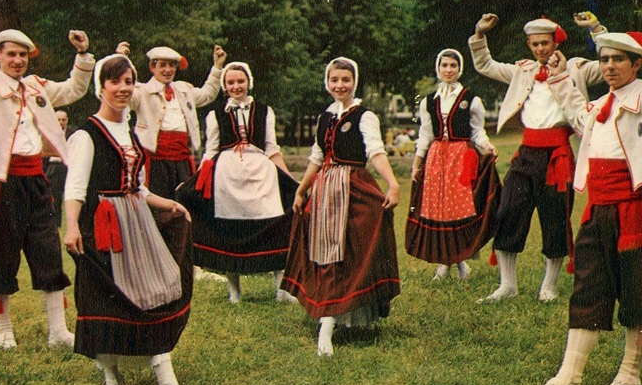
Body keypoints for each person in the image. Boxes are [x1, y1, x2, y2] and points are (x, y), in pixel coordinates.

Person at [530, 28, 642, 385]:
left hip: (634, 208)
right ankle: (569, 377)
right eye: (604, 59)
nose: (609, 66)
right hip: (597, 208)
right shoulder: (597, 107)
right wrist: (560, 77)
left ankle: (630, 370)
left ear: (637, 64)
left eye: (618, 60)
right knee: (587, 285)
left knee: (635, 287)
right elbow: (576, 114)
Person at [63, 54, 197, 385]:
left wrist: (168, 204)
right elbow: (75, 187)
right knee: (108, 297)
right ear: (100, 87)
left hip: (135, 220)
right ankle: (110, 377)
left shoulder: (133, 131)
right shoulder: (86, 134)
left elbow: (139, 187)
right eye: (115, 82)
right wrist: (72, 225)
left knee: (155, 291)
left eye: (128, 82)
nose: (122, 89)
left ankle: (165, 379)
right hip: (103, 225)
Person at [0, 28, 100, 350]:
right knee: (2, 251)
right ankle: (3, 327)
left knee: (48, 247)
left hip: (37, 177)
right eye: (11, 54)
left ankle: (57, 329)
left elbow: (74, 88)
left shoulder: (37, 86)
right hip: (3, 179)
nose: (18, 61)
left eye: (23, 55)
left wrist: (82, 55)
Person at [469, 12, 606, 303]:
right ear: (529, 45)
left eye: (545, 43)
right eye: (534, 44)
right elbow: (485, 65)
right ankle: (507, 285)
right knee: (508, 213)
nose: (541, 49)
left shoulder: (577, 68)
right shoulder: (523, 70)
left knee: (555, 217)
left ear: (555, 41)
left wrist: (595, 29)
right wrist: (480, 35)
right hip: (525, 154)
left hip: (557, 156)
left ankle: (549, 286)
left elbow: (608, 58)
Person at [281, 57, 401, 357]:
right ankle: (328, 315)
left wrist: (392, 183)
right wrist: (302, 189)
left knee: (349, 251)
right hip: (324, 191)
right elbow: (317, 157)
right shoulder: (326, 117)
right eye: (334, 80)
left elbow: (375, 151)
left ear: (354, 82)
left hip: (353, 187)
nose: (339, 85)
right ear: (327, 82)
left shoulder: (364, 116)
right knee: (325, 253)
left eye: (345, 80)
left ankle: (334, 318)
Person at [177, 61, 299, 304]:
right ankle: (235, 290)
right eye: (230, 82)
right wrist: (195, 180)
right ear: (224, 86)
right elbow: (210, 152)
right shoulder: (215, 114)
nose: (236, 86)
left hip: (260, 172)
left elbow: (272, 149)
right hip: (227, 176)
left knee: (276, 224)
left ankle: (281, 288)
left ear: (248, 82)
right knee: (230, 231)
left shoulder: (265, 111)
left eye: (240, 81)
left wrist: (290, 179)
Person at [406, 49, 500, 280]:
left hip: (461, 156)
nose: (448, 70)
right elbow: (425, 134)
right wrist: (417, 164)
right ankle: (447, 262)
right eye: (444, 65)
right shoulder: (429, 101)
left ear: (460, 69)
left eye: (453, 66)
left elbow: (477, 131)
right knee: (438, 210)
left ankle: (458, 260)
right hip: (437, 157)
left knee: (458, 209)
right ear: (438, 68)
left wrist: (487, 147)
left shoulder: (471, 99)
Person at [128, 44, 227, 197]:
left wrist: (217, 66)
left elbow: (207, 94)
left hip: (181, 159)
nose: (168, 70)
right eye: (162, 65)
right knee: (158, 204)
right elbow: (125, 97)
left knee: (183, 200)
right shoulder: (142, 92)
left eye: (172, 65)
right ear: (152, 67)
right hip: (155, 161)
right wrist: (122, 60)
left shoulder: (184, 90)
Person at [43, 110, 73, 228]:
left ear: (67, 120)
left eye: (63, 120)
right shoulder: (48, 133)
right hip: (53, 168)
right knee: (55, 196)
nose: (60, 122)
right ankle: (56, 223)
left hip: (67, 167)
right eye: (58, 120)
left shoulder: (72, 133)